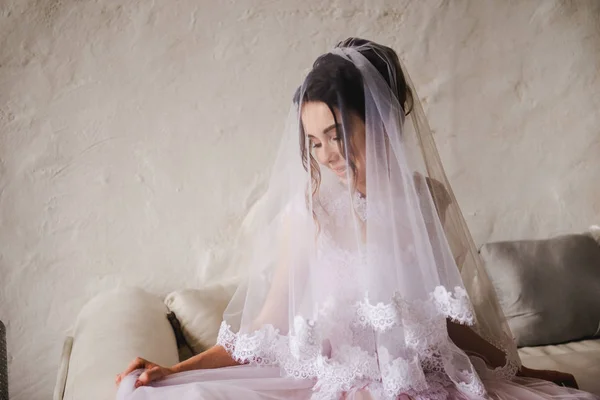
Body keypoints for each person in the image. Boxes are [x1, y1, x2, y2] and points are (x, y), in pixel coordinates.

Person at [116, 38, 597, 400]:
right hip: (344, 382)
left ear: (381, 120)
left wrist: (523, 372)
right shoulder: (311, 214)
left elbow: (441, 323)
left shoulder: (429, 200)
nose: (326, 154)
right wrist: (177, 370)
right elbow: (268, 324)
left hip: (425, 382)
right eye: (314, 142)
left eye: (337, 134)